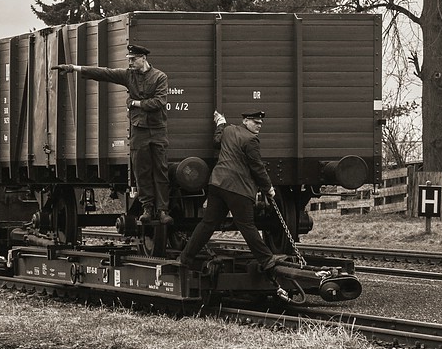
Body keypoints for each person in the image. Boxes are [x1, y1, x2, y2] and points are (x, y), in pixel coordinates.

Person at [56, 44, 172, 225]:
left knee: (161, 170)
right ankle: (148, 208)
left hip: (157, 130)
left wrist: (134, 103)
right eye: (129, 60)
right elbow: (105, 73)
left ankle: (163, 210)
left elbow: (159, 102)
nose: (131, 63)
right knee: (141, 171)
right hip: (138, 130)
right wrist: (73, 68)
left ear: (143, 58)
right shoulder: (129, 75)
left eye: (133, 59)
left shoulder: (159, 77)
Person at [178, 109, 283, 273]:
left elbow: (216, 141)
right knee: (247, 225)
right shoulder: (251, 140)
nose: (259, 126)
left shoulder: (228, 130)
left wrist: (220, 124)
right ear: (246, 121)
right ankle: (267, 260)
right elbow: (257, 168)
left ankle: (184, 259)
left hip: (217, 184)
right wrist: (268, 188)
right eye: (256, 122)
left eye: (261, 123)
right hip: (238, 189)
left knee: (207, 224)